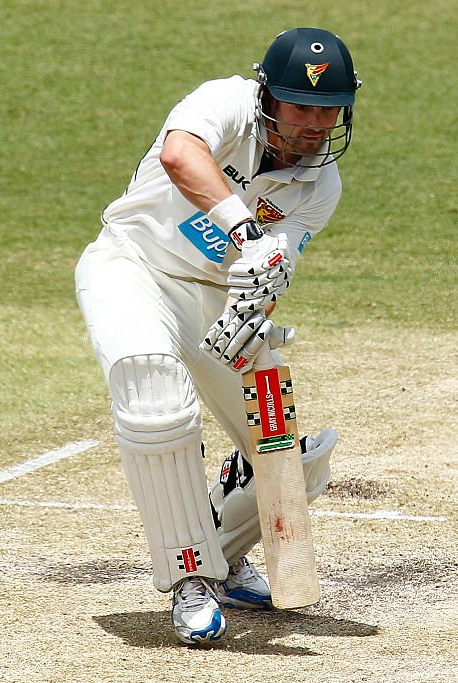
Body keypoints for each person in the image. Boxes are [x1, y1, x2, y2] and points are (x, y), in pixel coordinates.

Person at [74, 27, 360, 645]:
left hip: (216, 300)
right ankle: (190, 578)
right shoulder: (225, 101)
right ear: (269, 97)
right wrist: (244, 231)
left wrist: (253, 302)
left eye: (327, 109)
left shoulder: (321, 185)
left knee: (295, 460)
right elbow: (181, 156)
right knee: (153, 388)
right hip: (134, 267)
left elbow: (271, 267)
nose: (314, 123)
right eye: (301, 105)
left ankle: (223, 557)